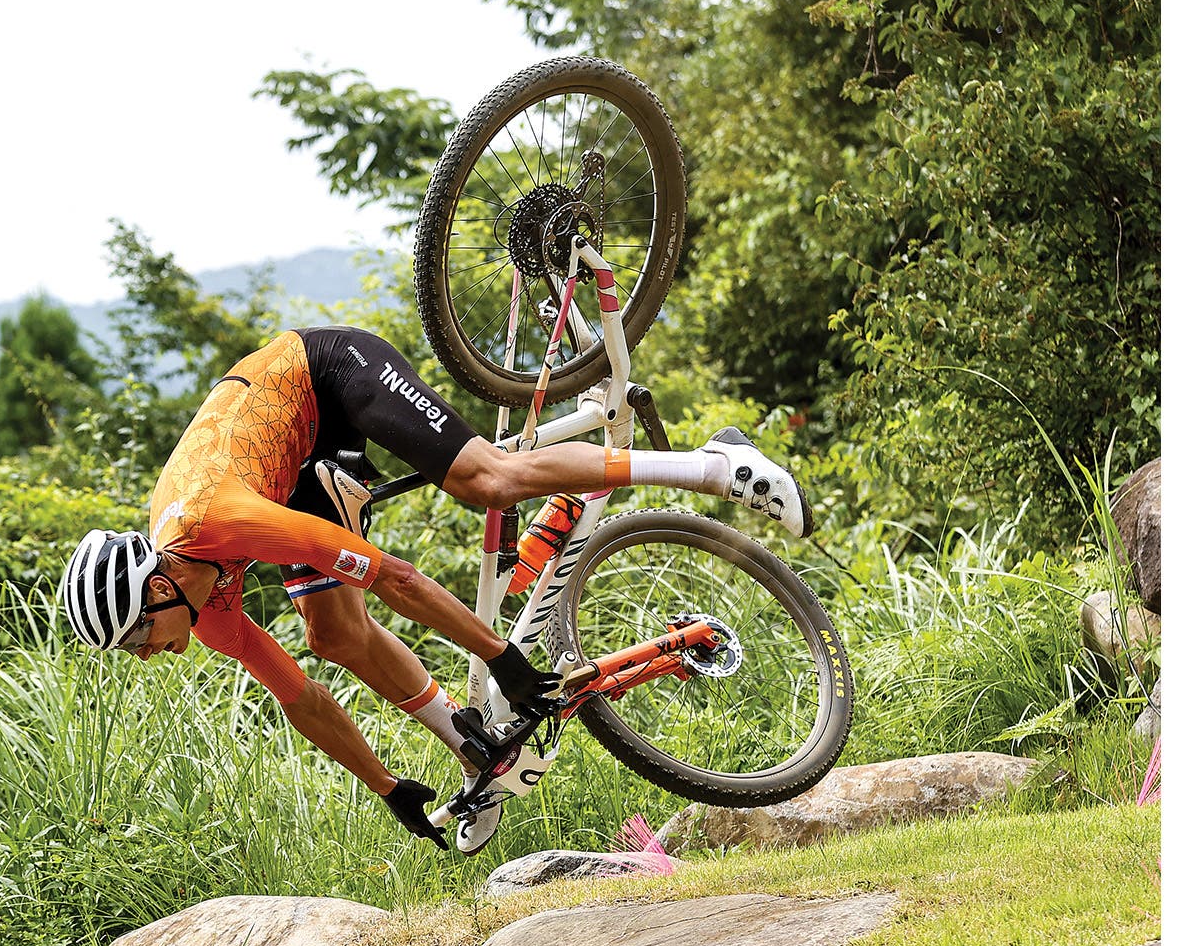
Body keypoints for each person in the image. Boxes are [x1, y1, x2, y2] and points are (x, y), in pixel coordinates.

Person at [60, 325, 809, 847]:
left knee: (489, 481)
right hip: (288, 470)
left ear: (158, 591)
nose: (145, 655)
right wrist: (387, 788)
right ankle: (475, 746)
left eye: (134, 640)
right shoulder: (203, 611)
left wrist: (505, 662)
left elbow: (396, 578)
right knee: (331, 635)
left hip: (323, 376)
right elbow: (303, 699)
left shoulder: (222, 522)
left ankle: (714, 465)